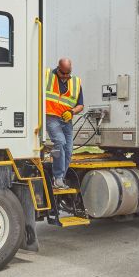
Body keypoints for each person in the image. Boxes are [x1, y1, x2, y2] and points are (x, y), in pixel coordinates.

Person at [45, 58, 84, 189]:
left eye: (69, 73)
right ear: (58, 69)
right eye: (64, 74)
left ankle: (59, 178)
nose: (66, 77)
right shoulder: (47, 76)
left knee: (68, 150)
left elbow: (81, 105)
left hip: (66, 120)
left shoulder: (76, 82)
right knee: (60, 142)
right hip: (50, 116)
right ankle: (57, 178)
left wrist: (72, 112)